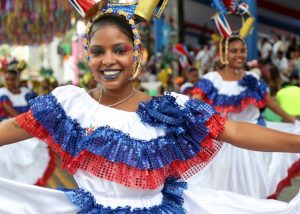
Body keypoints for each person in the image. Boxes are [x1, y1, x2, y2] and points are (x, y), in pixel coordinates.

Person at [1, 1, 300, 213]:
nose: (108, 61)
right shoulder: (69, 105)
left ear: (136, 55)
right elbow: (12, 129)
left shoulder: (168, 110)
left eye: (120, 50)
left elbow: (234, 130)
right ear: (88, 57)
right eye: (97, 52)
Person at [190, 35, 300, 199]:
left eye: (242, 51)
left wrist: (290, 119)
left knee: (253, 188)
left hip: (252, 143)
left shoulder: (252, 79)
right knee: (222, 189)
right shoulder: (211, 80)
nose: (239, 55)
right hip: (223, 144)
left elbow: (269, 102)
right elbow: (192, 105)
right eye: (234, 51)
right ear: (224, 53)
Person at [0, 69, 55, 186]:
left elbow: (34, 107)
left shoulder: (26, 92)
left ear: (17, 80)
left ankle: (26, 187)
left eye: (13, 79)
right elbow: (8, 108)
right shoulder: (3, 93)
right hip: (10, 125)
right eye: (7, 79)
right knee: (9, 158)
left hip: (27, 125)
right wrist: (26, 121)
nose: (10, 82)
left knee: (36, 153)